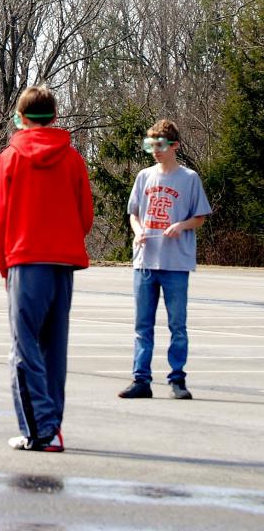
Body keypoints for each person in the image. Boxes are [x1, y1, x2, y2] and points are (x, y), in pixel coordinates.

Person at [0, 84, 93, 452]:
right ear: (55, 116)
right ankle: (51, 424)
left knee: (24, 348)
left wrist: (5, 267)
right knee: (53, 347)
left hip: (26, 260)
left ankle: (39, 429)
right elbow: (85, 213)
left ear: (21, 116)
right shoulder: (73, 159)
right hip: (61, 262)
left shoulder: (9, 159)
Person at [119, 119, 211, 401]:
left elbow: (200, 216)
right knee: (142, 325)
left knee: (177, 325)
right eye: (151, 146)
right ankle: (141, 379)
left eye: (160, 145)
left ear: (174, 146)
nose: (155, 151)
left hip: (175, 263)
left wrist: (180, 226)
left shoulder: (189, 179)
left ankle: (177, 379)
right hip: (146, 261)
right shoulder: (144, 177)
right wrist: (138, 231)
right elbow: (134, 213)